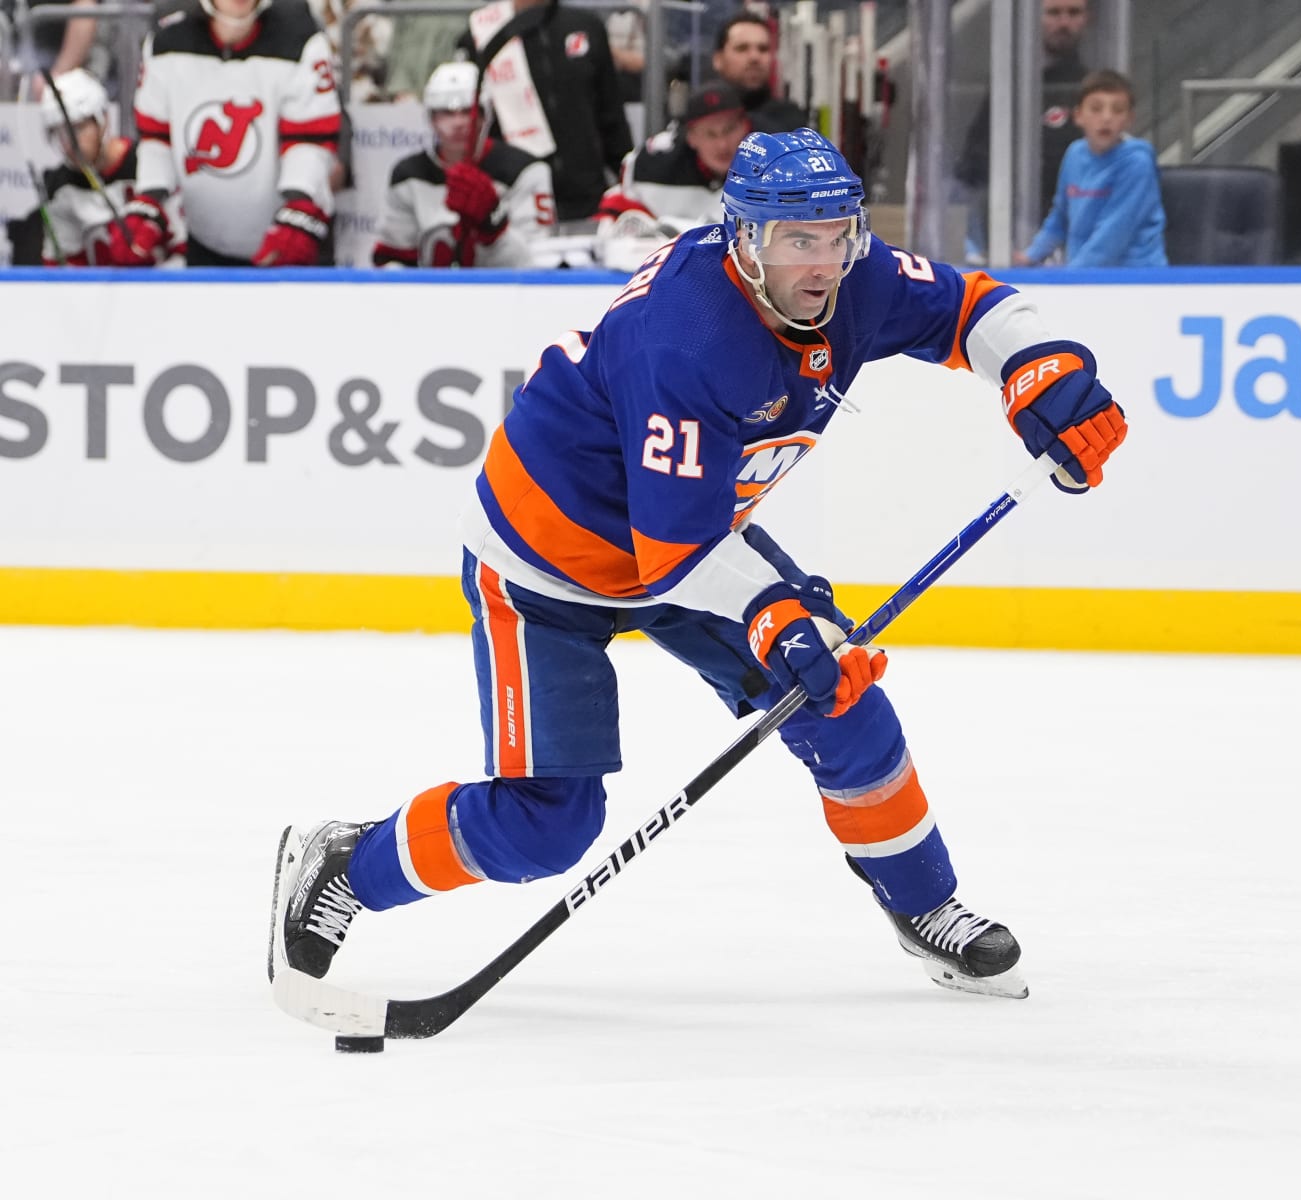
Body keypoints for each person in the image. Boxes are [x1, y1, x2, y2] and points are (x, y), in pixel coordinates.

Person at [269, 128, 1127, 1002]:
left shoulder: (850, 276)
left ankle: (927, 906)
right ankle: (346, 864)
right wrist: (779, 613)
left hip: (686, 541)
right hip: (546, 564)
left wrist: (1039, 369)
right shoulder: (685, 339)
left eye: (839, 235)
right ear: (743, 239)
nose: (824, 263)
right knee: (547, 828)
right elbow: (674, 557)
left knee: (839, 699)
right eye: (799, 241)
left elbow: (971, 305)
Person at [128, 0, 341, 267]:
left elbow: (309, 141)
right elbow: (156, 137)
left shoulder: (301, 38)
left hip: (290, 237)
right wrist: (150, 199)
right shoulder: (166, 41)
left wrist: (300, 204)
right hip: (203, 239)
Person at [457, 0, 634, 225]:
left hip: (585, 195)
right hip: (512, 197)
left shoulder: (587, 27)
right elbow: (472, 126)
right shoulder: (480, 34)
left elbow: (611, 116)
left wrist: (627, 181)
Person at [371, 62, 554, 267]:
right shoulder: (408, 175)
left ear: (487, 116)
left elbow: (538, 265)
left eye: (468, 111)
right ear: (431, 118)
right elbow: (392, 261)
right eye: (447, 112)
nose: (458, 122)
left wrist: (493, 224)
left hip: (504, 294)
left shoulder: (525, 172)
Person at [954, 0, 1089, 264]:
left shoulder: (1089, 88)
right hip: (1004, 228)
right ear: (1036, 18)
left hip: (1067, 231)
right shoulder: (1009, 86)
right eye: (1054, 13)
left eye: (1073, 13)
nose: (1064, 23)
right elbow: (973, 164)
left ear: (1087, 18)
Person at [35, 68, 188, 266]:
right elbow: (65, 269)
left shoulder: (149, 165)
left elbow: (183, 249)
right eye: (59, 132)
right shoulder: (60, 189)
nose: (69, 143)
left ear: (103, 119)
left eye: (78, 128)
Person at [1017, 70, 1166, 269]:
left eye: (1117, 110)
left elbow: (1113, 233)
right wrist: (1030, 256)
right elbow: (1061, 215)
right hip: (1086, 274)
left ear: (1130, 118)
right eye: (1096, 109)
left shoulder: (1137, 163)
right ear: (1078, 116)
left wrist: (1071, 278)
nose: (1106, 118)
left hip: (1138, 277)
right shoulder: (1074, 154)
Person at [594, 78, 749, 264]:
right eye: (710, 134)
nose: (722, 144)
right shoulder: (652, 167)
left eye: (729, 130)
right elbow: (615, 215)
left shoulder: (773, 164)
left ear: (745, 127)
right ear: (691, 137)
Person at [711, 10, 805, 133]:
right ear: (718, 60)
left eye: (763, 49)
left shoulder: (793, 124)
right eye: (742, 48)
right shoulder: (700, 118)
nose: (755, 57)